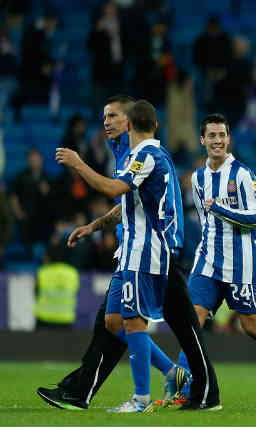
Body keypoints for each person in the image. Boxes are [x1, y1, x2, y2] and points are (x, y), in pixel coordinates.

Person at [38, 96, 220, 412]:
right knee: (113, 321)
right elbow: (128, 202)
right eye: (103, 116)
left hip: (149, 251)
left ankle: (143, 398)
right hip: (134, 251)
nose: (106, 121)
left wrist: (79, 164)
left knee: (140, 322)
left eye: (112, 115)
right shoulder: (131, 152)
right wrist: (95, 225)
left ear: (130, 122)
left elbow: (116, 190)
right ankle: (176, 375)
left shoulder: (144, 154)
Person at [176, 113, 256, 406]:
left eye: (222, 135)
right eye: (212, 136)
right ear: (203, 140)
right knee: (190, 322)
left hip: (240, 263)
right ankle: (185, 389)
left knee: (251, 325)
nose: (218, 140)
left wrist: (220, 208)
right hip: (207, 261)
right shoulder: (198, 177)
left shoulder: (242, 174)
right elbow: (206, 221)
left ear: (229, 139)